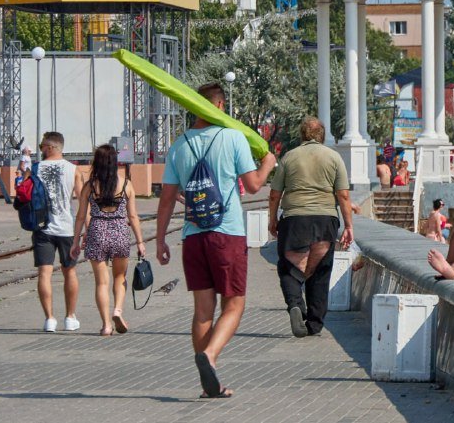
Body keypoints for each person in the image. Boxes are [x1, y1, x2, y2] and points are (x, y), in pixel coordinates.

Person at [155, 82, 276, 399]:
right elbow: (252, 186)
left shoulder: (179, 145)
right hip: (228, 234)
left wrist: (159, 241)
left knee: (202, 312)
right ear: (220, 107)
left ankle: (207, 384)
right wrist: (268, 163)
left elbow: (167, 199)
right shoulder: (233, 137)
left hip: (193, 236)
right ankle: (210, 356)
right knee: (234, 304)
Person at [268, 116, 353, 339]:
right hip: (325, 220)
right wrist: (348, 226)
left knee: (289, 267)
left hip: (294, 219)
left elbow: (275, 194)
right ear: (322, 136)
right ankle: (314, 324)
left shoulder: (289, 157)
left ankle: (295, 305)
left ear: (302, 135)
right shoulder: (334, 157)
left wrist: (272, 219)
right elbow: (343, 195)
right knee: (320, 271)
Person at [70, 144, 146, 335]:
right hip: (120, 231)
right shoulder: (126, 184)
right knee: (120, 277)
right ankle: (118, 310)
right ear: (114, 163)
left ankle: (106, 325)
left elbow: (81, 216)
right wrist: (140, 242)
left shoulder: (90, 186)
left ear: (97, 162)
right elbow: (134, 217)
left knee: (101, 283)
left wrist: (75, 242)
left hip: (97, 231)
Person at [33, 132, 84, 333]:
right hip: (66, 228)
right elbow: (83, 201)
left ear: (51, 147)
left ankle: (49, 319)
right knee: (69, 271)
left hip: (42, 227)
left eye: (42, 146)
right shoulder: (73, 170)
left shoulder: (35, 169)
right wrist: (85, 228)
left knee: (44, 273)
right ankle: (70, 317)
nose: (41, 150)